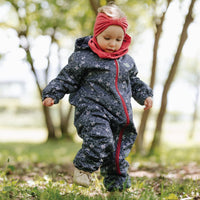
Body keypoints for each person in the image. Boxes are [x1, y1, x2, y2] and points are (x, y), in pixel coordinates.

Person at [42, 3, 153, 192]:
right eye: (107, 38)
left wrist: (145, 95)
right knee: (99, 137)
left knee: (116, 156)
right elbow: (67, 78)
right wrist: (53, 93)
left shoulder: (126, 61)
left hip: (121, 117)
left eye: (118, 39)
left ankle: (117, 189)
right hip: (92, 111)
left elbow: (133, 82)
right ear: (96, 34)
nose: (112, 43)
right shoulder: (84, 58)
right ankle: (83, 168)